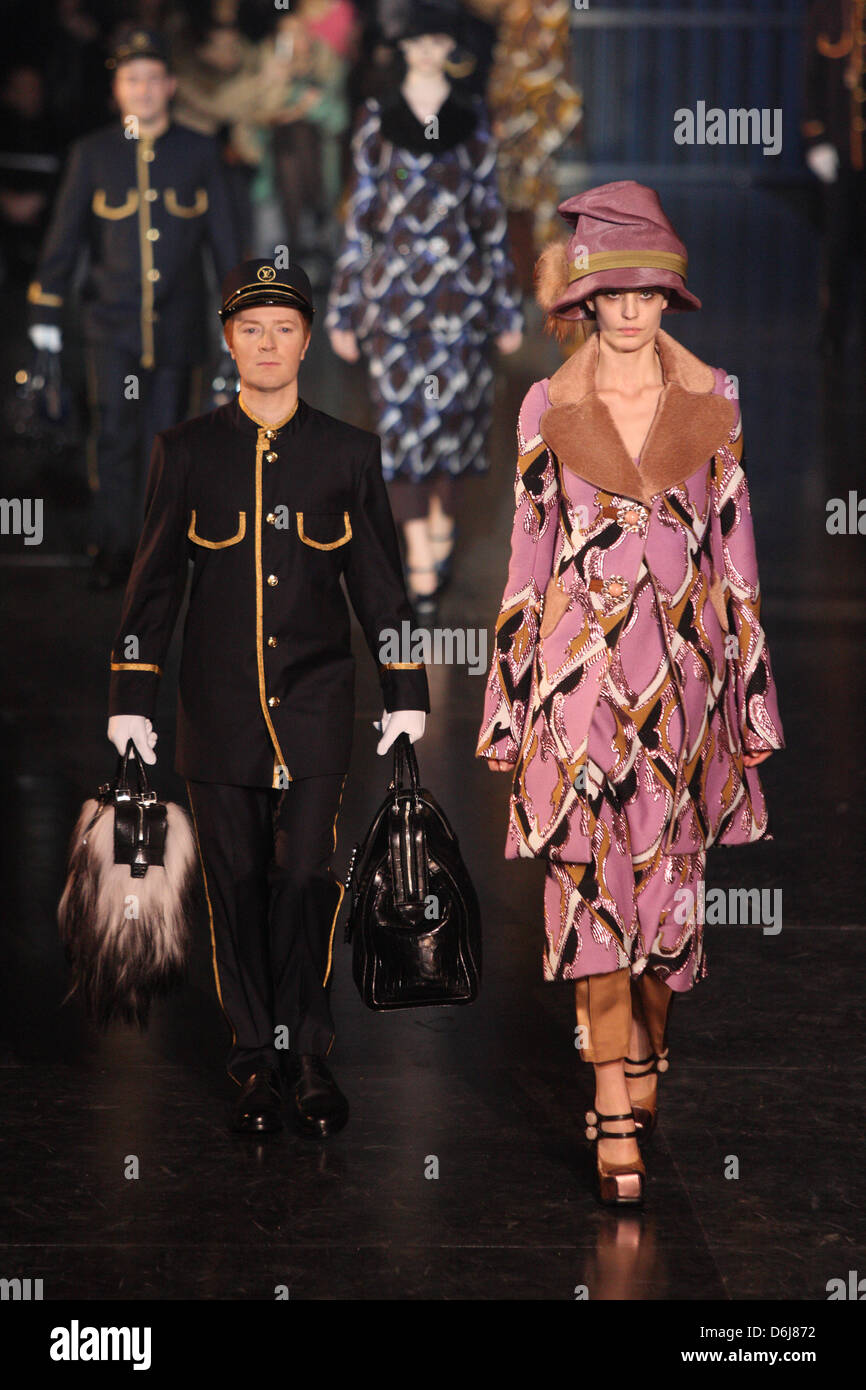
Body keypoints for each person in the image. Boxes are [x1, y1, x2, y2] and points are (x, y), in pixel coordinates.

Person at [476, 182, 785, 1205]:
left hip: (683, 690)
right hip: (576, 689)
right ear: (583, 302)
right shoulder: (544, 407)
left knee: (666, 915)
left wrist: (749, 702)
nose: (629, 312)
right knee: (587, 905)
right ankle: (610, 1099)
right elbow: (526, 561)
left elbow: (735, 561)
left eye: (648, 295)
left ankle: (645, 1047)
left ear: (668, 300)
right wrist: (506, 704)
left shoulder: (717, 401)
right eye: (611, 296)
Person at [106, 256, 429, 1138]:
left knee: (302, 878)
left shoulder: (347, 453)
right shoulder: (188, 452)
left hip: (317, 710)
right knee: (236, 882)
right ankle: (254, 1054)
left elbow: (380, 586)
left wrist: (407, 688)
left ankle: (309, 1052)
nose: (268, 343)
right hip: (216, 716)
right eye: (252, 329)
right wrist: (132, 692)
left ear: (308, 341)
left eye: (284, 328)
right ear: (228, 342)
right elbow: (154, 585)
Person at [325, 0, 523, 619]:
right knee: (402, 423)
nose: (428, 50)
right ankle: (417, 548)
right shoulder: (375, 121)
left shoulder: (473, 119)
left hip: (462, 299)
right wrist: (342, 309)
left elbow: (491, 219)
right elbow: (358, 223)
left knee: (458, 424)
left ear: (450, 45)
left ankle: (438, 526)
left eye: (438, 39)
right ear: (402, 48)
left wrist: (509, 308)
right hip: (394, 300)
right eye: (417, 41)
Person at [27, 25, 240, 589]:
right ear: (116, 90)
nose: (142, 90)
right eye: (130, 80)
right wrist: (45, 313)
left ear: (170, 86)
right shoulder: (93, 155)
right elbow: (64, 240)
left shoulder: (198, 152)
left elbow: (224, 242)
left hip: (177, 326)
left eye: (152, 79)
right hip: (110, 324)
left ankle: (161, 551)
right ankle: (113, 543)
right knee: (115, 431)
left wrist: (238, 315)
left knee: (169, 438)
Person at [801, 0, 866, 356]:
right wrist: (816, 136)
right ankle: (834, 335)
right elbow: (814, 72)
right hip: (843, 144)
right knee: (838, 244)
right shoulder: (830, 8)